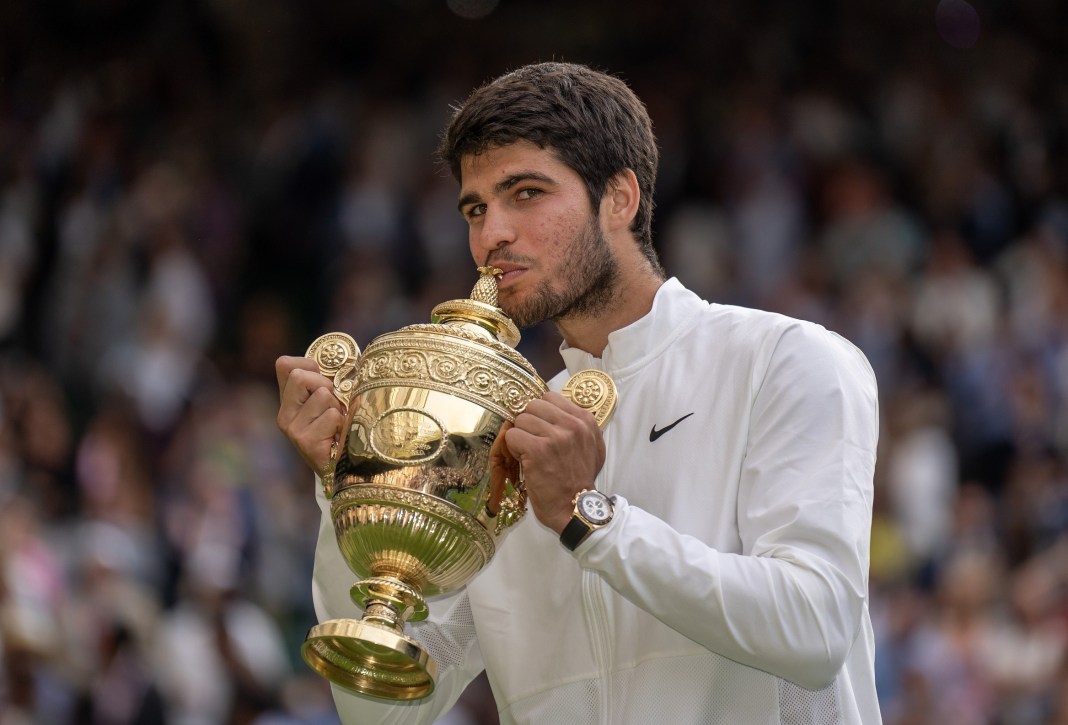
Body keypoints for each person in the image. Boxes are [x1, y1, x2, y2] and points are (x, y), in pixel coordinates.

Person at [275, 62, 882, 724]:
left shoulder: (786, 360)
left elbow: (814, 627)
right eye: (476, 207)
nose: (491, 235)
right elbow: (381, 711)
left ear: (619, 198)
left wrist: (588, 517)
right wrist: (348, 481)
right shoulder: (489, 432)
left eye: (526, 193)